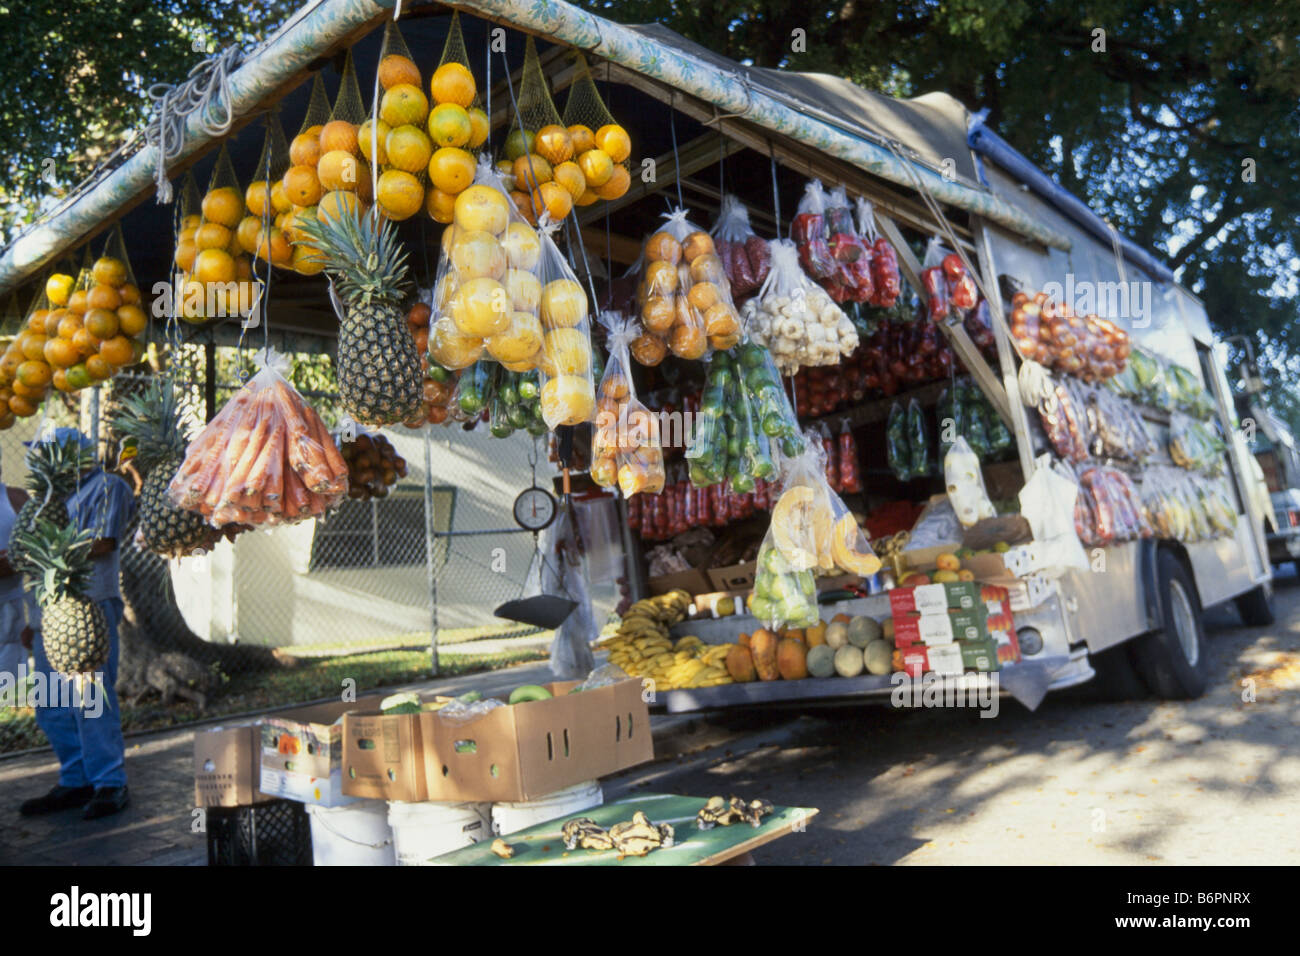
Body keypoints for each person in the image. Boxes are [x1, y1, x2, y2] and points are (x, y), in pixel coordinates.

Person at [20, 428, 136, 821]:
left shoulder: (109, 486)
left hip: (90, 608)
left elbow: (104, 542)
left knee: (90, 701)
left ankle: (109, 783)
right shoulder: (47, 499)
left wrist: (51, 548)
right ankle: (75, 779)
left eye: (45, 453)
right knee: (51, 703)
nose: (38, 461)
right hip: (47, 614)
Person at [0, 458, 33, 696]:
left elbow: (44, 548)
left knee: (10, 691)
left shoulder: (16, 498)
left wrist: (16, 559)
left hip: (11, 607)